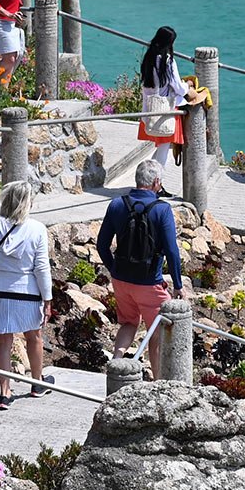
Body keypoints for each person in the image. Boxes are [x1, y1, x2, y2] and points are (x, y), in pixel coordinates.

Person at [97, 159, 184, 379]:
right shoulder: (162, 209)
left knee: (128, 323)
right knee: (155, 335)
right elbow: (172, 250)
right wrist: (178, 285)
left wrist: (114, 269)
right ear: (156, 182)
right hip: (149, 283)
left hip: (121, 281)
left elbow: (101, 245)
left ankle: (116, 368)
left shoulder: (117, 204)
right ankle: (157, 382)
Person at [0, 182, 55, 410]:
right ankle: (37, 383)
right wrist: (47, 297)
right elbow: (41, 267)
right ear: (27, 202)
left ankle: (4, 392)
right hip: (26, 291)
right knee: (34, 336)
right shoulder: (37, 229)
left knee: (4, 340)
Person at [137, 26, 192, 171]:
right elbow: (178, 88)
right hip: (164, 110)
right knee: (163, 149)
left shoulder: (149, 57)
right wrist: (188, 85)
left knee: (161, 147)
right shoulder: (167, 61)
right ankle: (155, 183)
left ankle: (149, 178)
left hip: (149, 109)